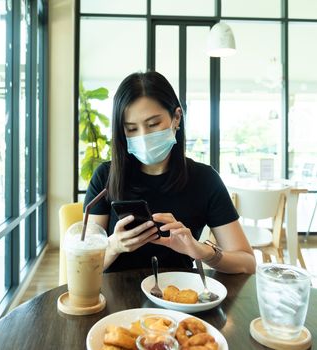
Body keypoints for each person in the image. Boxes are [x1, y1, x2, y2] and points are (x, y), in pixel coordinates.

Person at [84, 71, 255, 274]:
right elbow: (83, 267)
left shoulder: (204, 180)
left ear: (176, 117)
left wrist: (200, 250)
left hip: (180, 297)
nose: (143, 136)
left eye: (153, 124)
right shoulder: (106, 177)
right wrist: (113, 246)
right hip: (116, 300)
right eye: (131, 129)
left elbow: (247, 263)